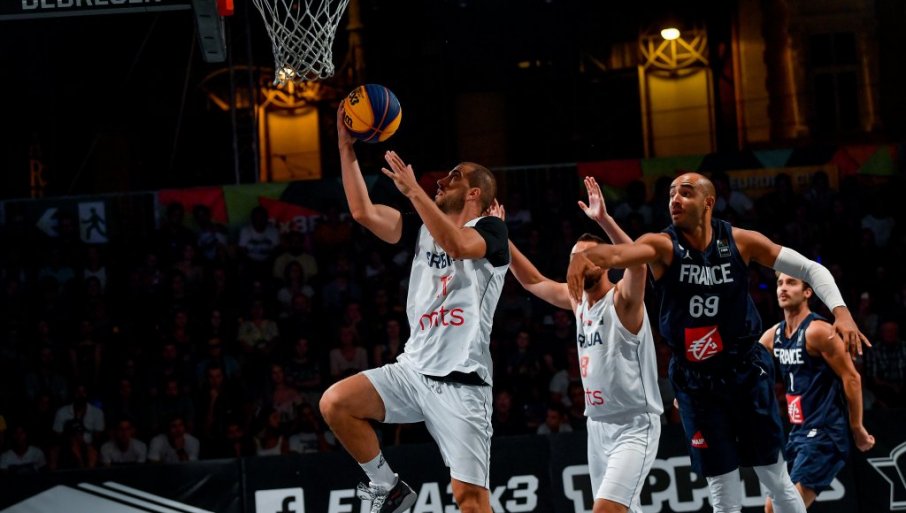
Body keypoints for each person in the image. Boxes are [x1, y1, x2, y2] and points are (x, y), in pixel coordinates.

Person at [566, 172, 869, 513]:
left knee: (774, 477)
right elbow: (621, 255)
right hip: (695, 381)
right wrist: (586, 256)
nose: (675, 199)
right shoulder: (663, 245)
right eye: (671, 193)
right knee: (722, 487)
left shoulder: (741, 241)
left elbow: (811, 269)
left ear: (708, 202)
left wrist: (842, 312)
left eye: (686, 192)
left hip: (744, 371)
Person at [319, 106, 509, 513]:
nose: (441, 180)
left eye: (454, 176)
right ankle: (388, 487)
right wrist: (345, 146)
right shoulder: (420, 226)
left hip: (462, 385)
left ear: (474, 193)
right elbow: (363, 212)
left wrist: (414, 192)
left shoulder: (491, 231)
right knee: (336, 403)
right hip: (412, 372)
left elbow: (457, 245)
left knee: (471, 502)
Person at [502, 177, 662, 513]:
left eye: (583, 258)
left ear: (604, 261)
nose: (575, 265)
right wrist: (501, 236)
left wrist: (604, 220)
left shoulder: (623, 301)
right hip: (598, 426)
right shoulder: (578, 302)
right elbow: (533, 281)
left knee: (605, 510)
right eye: (572, 258)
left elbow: (637, 263)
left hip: (634, 424)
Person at [760, 273, 875, 512]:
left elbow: (852, 377)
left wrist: (857, 428)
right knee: (772, 508)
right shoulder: (774, 336)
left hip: (825, 432)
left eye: (791, 283)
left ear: (807, 293)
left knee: (785, 508)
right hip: (798, 433)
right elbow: (744, 366)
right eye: (780, 283)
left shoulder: (818, 331)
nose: (783, 288)